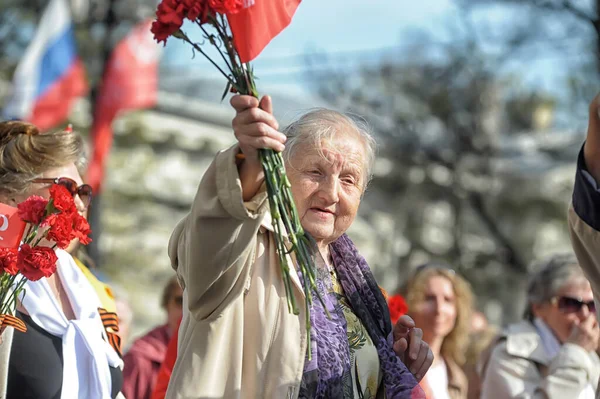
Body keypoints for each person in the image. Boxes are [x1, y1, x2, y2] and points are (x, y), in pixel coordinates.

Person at [166, 95, 433, 398]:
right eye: (315, 172)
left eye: (348, 180)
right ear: (280, 175)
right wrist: (249, 163)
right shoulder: (245, 246)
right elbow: (214, 234)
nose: (331, 194)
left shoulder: (356, 283)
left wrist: (393, 372)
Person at [0, 121, 124, 398]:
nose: (79, 203)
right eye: (66, 188)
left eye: (83, 192)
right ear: (10, 195)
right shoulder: (3, 281)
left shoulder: (89, 293)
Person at [480, 254, 600, 398]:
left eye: (592, 305)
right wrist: (576, 354)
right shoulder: (510, 353)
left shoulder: (589, 352)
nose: (585, 314)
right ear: (539, 307)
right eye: (570, 303)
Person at [403, 263, 473, 399]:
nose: (439, 309)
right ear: (410, 302)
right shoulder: (394, 361)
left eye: (448, 300)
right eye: (429, 298)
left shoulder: (457, 378)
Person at [123, 276, 183, 399]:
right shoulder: (140, 358)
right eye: (180, 301)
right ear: (167, 305)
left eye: (195, 303)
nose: (187, 309)